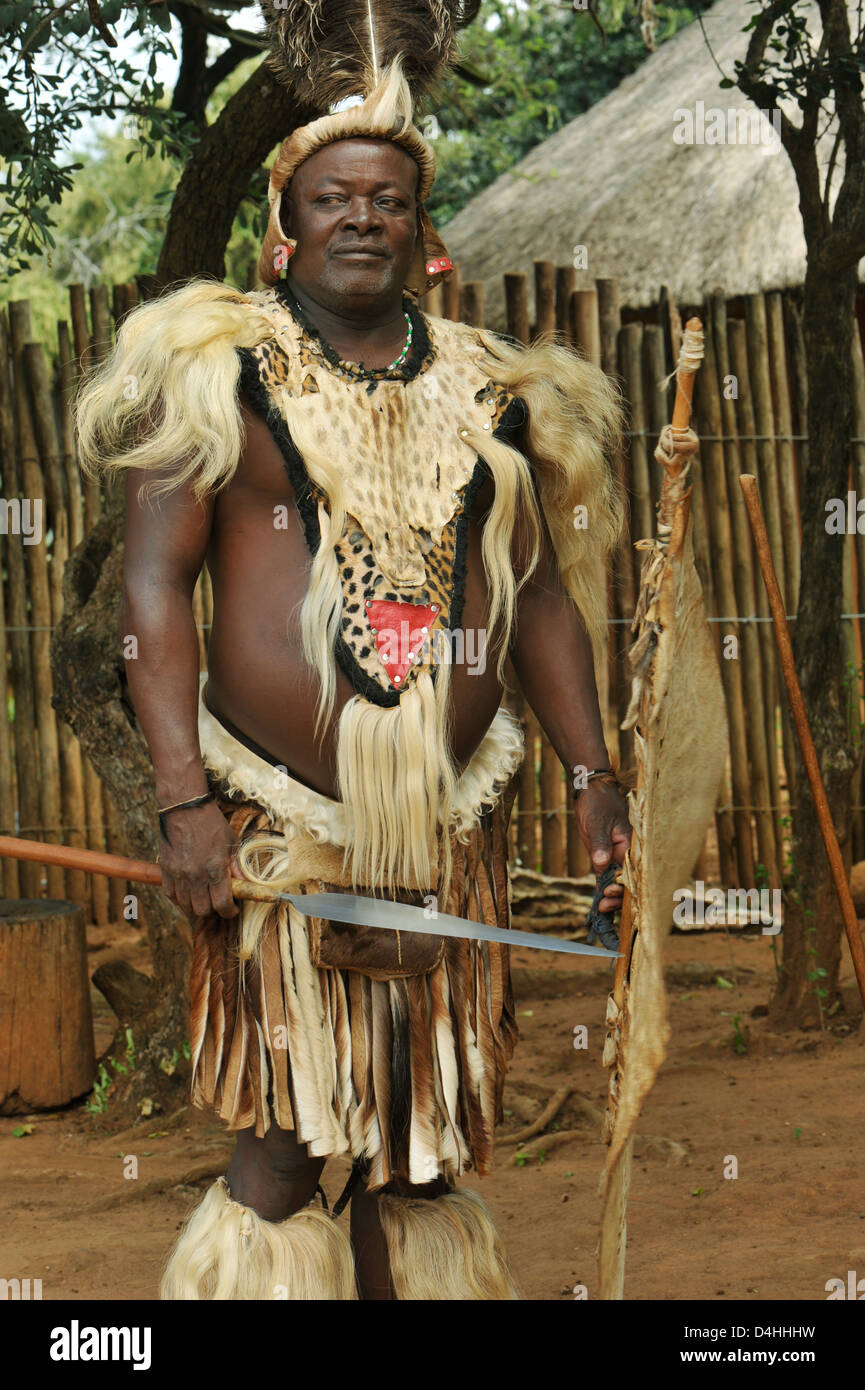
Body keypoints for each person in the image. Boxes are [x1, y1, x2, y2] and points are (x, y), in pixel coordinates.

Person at [75, 56, 631, 1300]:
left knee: (419, 1142)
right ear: (283, 234)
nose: (362, 216)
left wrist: (595, 772)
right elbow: (154, 591)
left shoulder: (495, 388)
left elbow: (537, 598)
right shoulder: (215, 371)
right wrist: (181, 799)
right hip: (279, 818)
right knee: (283, 1139)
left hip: (449, 822)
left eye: (387, 198)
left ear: (423, 234)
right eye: (332, 198)